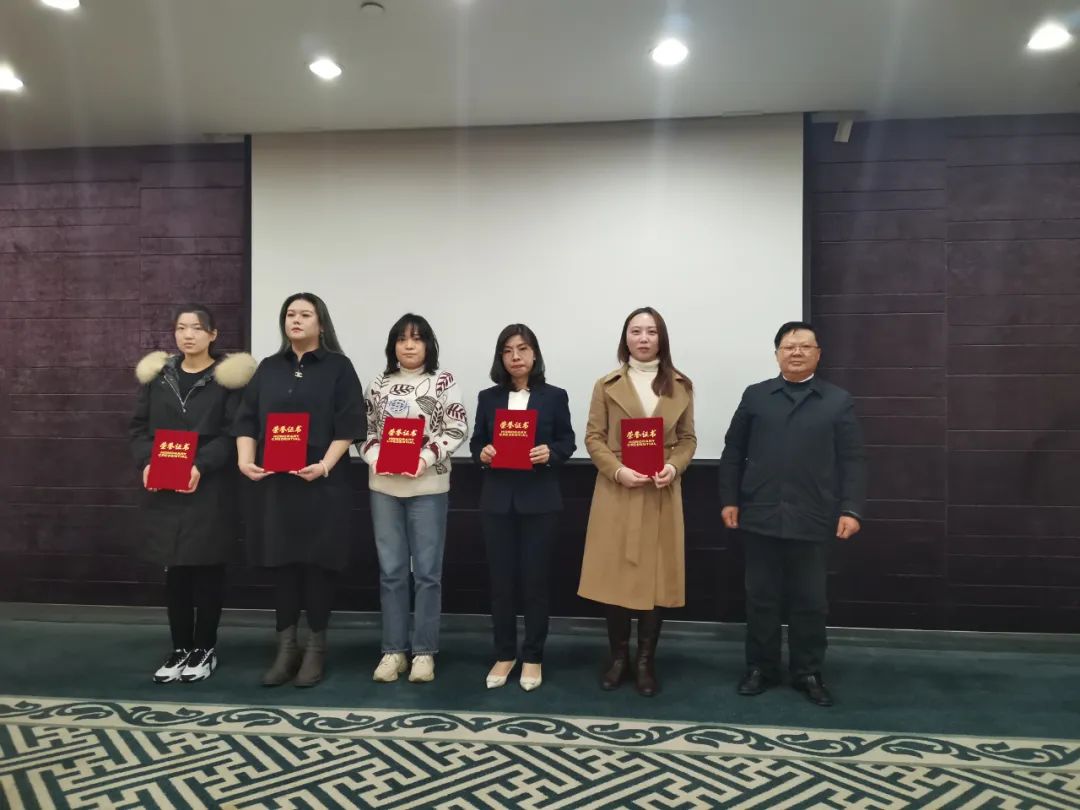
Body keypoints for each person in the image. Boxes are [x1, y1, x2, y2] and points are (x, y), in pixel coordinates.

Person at [719, 320, 866, 707]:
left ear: (818, 354)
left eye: (805, 346)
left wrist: (851, 508)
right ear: (777, 354)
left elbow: (853, 459)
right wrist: (729, 499)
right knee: (761, 598)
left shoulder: (837, 400)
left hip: (814, 516)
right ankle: (760, 668)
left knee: (810, 601)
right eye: (789, 346)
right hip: (760, 514)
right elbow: (733, 451)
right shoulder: (756, 396)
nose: (796, 352)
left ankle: (808, 672)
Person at [233, 293, 364, 688]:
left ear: (321, 324)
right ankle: (286, 648)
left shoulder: (339, 367)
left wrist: (324, 464)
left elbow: (350, 423)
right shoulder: (269, 367)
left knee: (318, 566)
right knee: (284, 565)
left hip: (323, 483)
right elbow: (246, 418)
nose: (296, 320)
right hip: (277, 485)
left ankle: (315, 649)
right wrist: (245, 459)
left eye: (306, 314)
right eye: (290, 314)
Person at [130, 304, 255, 683]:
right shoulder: (158, 377)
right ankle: (180, 648)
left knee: (208, 568)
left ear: (213, 335)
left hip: (210, 486)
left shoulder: (228, 379)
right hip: (165, 485)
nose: (188, 335)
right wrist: (146, 463)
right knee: (177, 570)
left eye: (197, 328)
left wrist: (200, 465)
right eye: (182, 328)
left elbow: (233, 433)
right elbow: (138, 429)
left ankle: (205, 648)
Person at [577, 306, 696, 697]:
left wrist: (674, 467)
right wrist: (617, 471)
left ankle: (645, 662)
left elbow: (688, 439)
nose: (643, 338)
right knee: (615, 577)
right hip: (618, 491)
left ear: (662, 339)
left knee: (656, 579)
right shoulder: (606, 384)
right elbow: (594, 437)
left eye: (651, 331)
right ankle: (618, 659)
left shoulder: (681, 385)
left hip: (660, 492)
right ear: (625, 338)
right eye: (636, 331)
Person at [359, 314, 468, 685]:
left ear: (428, 345)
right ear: (393, 345)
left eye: (417, 338)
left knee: (427, 574)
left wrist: (423, 458)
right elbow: (364, 430)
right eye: (402, 339)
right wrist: (376, 457)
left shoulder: (443, 381)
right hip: (384, 489)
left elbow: (456, 427)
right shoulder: (378, 383)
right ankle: (393, 651)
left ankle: (424, 652)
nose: (408, 345)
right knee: (391, 572)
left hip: (428, 488)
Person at [470, 324, 576, 691]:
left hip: (540, 501)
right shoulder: (488, 398)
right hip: (497, 501)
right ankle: (504, 653)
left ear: (535, 354)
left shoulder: (554, 396)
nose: (515, 356)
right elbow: (477, 443)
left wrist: (551, 453)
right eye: (508, 350)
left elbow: (567, 441)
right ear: (500, 357)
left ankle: (532, 656)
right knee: (501, 583)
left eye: (523, 349)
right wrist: (483, 453)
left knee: (535, 582)